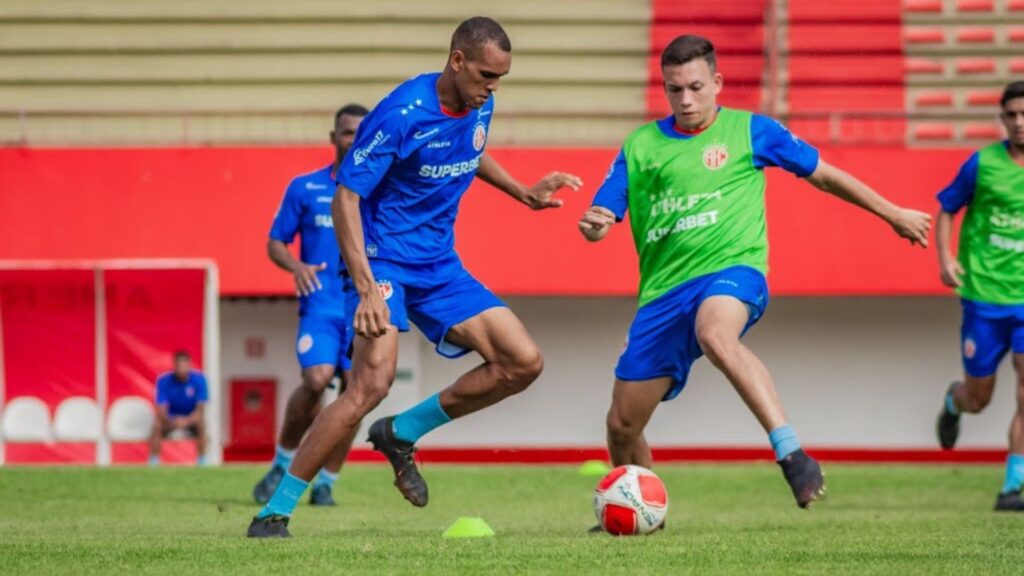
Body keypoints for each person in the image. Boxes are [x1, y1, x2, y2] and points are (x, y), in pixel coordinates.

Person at [247, 16, 582, 538]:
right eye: (487, 76)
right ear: (457, 61)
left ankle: (402, 435)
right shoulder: (400, 114)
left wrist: (523, 192)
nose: (493, 89)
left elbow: (469, 149)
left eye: (500, 79)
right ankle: (276, 511)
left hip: (439, 263)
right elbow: (346, 197)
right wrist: (364, 287)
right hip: (383, 261)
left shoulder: (479, 102)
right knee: (369, 386)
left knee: (522, 362)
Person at [577, 35, 931, 522]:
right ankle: (641, 514)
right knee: (622, 424)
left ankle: (791, 454)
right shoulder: (640, 146)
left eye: (696, 87)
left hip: (733, 271)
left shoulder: (751, 132)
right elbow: (603, 215)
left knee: (714, 332)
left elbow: (824, 175)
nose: (685, 100)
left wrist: (891, 213)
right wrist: (594, 225)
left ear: (717, 83)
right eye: (674, 89)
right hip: (661, 295)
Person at [252, 104, 369, 507]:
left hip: (362, 308)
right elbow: (274, 242)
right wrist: (296, 265)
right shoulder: (305, 188)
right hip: (320, 307)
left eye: (360, 133)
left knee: (357, 391)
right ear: (333, 137)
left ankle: (326, 484)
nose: (352, 140)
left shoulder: (379, 191)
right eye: (346, 132)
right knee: (317, 381)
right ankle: (282, 461)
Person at [934, 80, 1024, 511]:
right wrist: (946, 260)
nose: (1020, 123)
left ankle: (1012, 487)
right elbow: (948, 208)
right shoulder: (982, 164)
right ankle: (954, 403)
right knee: (980, 399)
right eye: (1012, 115)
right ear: (1002, 118)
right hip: (984, 300)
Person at [149, 350, 208, 466]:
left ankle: (202, 461)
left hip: (191, 420)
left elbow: (200, 408)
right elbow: (161, 408)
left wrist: (186, 421)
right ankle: (154, 462)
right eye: (178, 365)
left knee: (201, 424)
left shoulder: (199, 380)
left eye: (184, 364)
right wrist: (172, 420)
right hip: (170, 420)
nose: (181, 368)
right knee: (157, 425)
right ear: (174, 366)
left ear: (189, 365)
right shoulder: (164, 381)